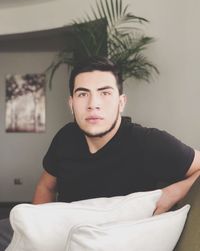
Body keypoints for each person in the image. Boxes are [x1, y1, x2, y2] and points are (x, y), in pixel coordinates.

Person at [0, 56, 200, 250]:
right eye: (82, 94)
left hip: (107, 241)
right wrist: (38, 233)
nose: (93, 104)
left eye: (104, 93)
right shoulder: (65, 137)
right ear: (71, 104)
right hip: (61, 231)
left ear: (121, 102)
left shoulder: (148, 142)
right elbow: (46, 185)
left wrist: (173, 193)